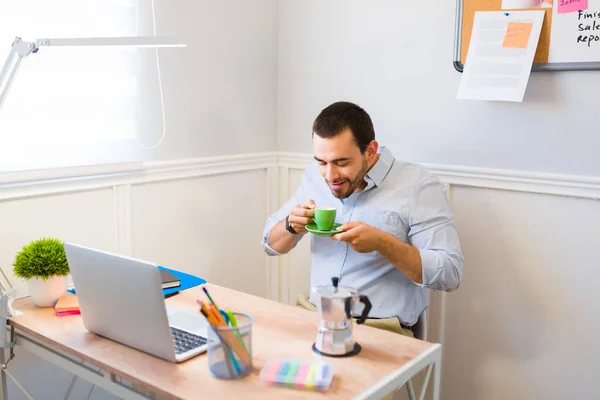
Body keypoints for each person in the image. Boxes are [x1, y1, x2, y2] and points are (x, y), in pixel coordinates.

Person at [261, 101, 464, 337]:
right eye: (321, 162)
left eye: (341, 162)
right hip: (316, 319)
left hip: (380, 330)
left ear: (370, 150)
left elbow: (450, 273)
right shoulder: (315, 178)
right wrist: (291, 225)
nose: (330, 175)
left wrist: (382, 243)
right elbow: (270, 244)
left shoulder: (417, 185)